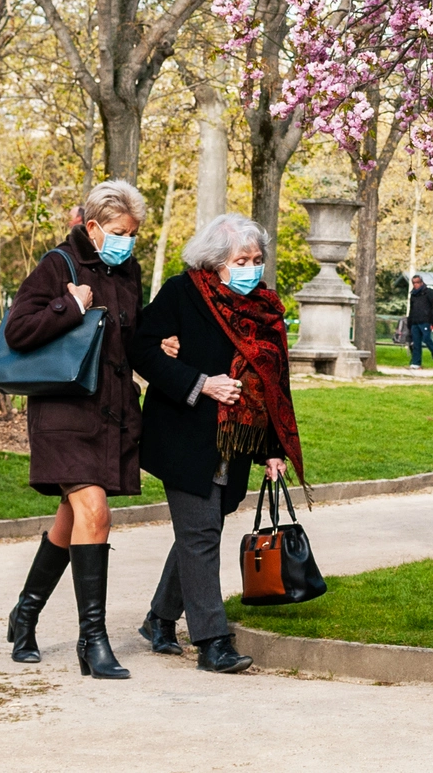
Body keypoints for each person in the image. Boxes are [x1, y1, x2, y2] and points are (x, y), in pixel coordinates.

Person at [129, 212, 305, 675]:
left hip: (238, 440)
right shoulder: (182, 293)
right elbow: (141, 348)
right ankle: (213, 642)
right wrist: (200, 383)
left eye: (256, 259)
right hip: (184, 434)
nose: (251, 267)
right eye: (241, 259)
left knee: (201, 532)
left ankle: (159, 619)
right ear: (215, 261)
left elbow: (272, 384)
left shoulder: (266, 308)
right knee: (202, 532)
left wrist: (272, 448)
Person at [0, 179, 147, 679]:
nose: (128, 240)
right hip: (63, 413)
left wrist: (160, 348)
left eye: (133, 233)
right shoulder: (56, 265)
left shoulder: (128, 270)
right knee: (95, 512)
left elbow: (132, 336)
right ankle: (94, 641)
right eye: (120, 231)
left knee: (74, 518)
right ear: (92, 227)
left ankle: (25, 614)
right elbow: (18, 331)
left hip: (109, 413)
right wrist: (72, 305)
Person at [405, 274, 433, 369]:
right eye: (414, 283)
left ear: (421, 282)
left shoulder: (428, 293)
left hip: (426, 321)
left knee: (427, 339)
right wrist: (410, 322)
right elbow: (412, 309)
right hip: (415, 322)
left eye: (417, 282)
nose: (415, 285)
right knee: (416, 343)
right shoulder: (413, 294)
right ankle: (416, 362)